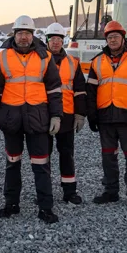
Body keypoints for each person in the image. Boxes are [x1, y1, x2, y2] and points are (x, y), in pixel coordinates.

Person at [0, 15, 63, 224]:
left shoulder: (45, 57)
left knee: (41, 164)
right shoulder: (2, 58)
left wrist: (56, 116)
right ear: (14, 34)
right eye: (20, 33)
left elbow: (55, 89)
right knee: (12, 163)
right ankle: (11, 204)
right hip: (11, 119)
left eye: (27, 33)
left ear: (33, 35)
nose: (23, 37)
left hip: (38, 118)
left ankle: (46, 208)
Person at [85, 20, 127, 209]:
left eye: (116, 36)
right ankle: (111, 192)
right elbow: (91, 92)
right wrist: (92, 116)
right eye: (109, 37)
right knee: (108, 157)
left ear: (123, 38)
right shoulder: (97, 61)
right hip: (105, 117)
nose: (113, 40)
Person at [43, 22, 87, 204]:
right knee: (43, 156)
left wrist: (80, 114)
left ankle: (69, 191)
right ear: (46, 40)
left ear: (63, 41)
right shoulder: (39, 61)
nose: (55, 42)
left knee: (67, 154)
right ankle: (44, 192)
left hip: (67, 114)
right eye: (52, 38)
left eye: (59, 38)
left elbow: (80, 91)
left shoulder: (73, 63)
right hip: (44, 114)